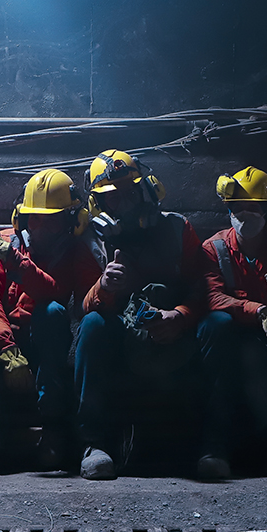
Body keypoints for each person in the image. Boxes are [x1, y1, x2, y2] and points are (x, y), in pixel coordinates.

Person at [74, 150, 209, 480]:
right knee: (92, 324)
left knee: (219, 325)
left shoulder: (179, 229)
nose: (124, 203)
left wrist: (180, 316)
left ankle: (213, 446)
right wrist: (104, 288)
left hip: (173, 330)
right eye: (112, 197)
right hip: (121, 335)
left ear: (148, 189)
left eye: (129, 192)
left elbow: (204, 290)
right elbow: (79, 308)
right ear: (98, 205)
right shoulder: (90, 241)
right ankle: (94, 445)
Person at [0, 169, 102, 477]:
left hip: (44, 340)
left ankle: (52, 433)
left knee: (52, 312)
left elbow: (53, 292)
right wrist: (8, 350)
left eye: (51, 218)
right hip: (2, 339)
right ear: (21, 217)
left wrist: (16, 262)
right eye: (34, 217)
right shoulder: (2, 243)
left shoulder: (74, 252)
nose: (41, 226)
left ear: (72, 219)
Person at [197, 166, 267, 478]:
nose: (245, 215)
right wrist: (257, 310)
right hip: (237, 335)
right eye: (237, 209)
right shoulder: (214, 248)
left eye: (253, 208)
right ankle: (256, 448)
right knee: (246, 353)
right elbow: (212, 297)